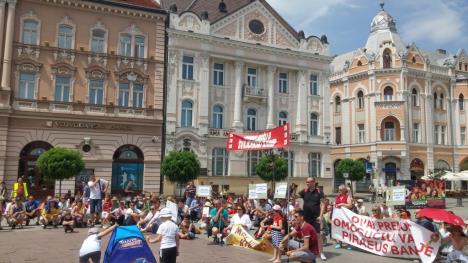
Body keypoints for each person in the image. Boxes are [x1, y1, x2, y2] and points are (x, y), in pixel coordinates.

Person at [334, 184, 352, 250]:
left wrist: (342, 204)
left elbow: (350, 205)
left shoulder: (347, 197)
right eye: (339, 190)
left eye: (341, 190)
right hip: (338, 215)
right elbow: (335, 204)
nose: (339, 191)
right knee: (339, 229)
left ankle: (348, 244)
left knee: (347, 230)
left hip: (346, 216)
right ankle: (339, 243)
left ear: (344, 190)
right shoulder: (337, 197)